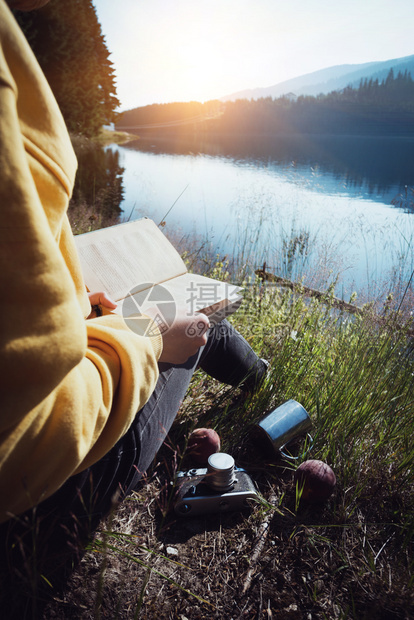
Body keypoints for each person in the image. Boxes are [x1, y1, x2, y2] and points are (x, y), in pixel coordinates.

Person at [0, 0, 267, 590]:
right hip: (42, 499)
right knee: (194, 320)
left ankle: (259, 381)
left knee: (175, 314)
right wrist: (143, 344)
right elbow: (33, 431)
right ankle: (262, 385)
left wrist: (68, 311)